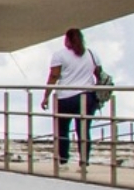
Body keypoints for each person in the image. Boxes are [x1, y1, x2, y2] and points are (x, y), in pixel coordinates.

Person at [40, 28, 102, 166]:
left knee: (62, 129)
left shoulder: (59, 55)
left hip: (65, 97)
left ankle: (63, 159)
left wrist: (46, 96)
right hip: (87, 96)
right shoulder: (91, 54)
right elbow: (99, 74)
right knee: (84, 130)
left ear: (67, 39)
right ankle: (84, 160)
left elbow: (54, 76)